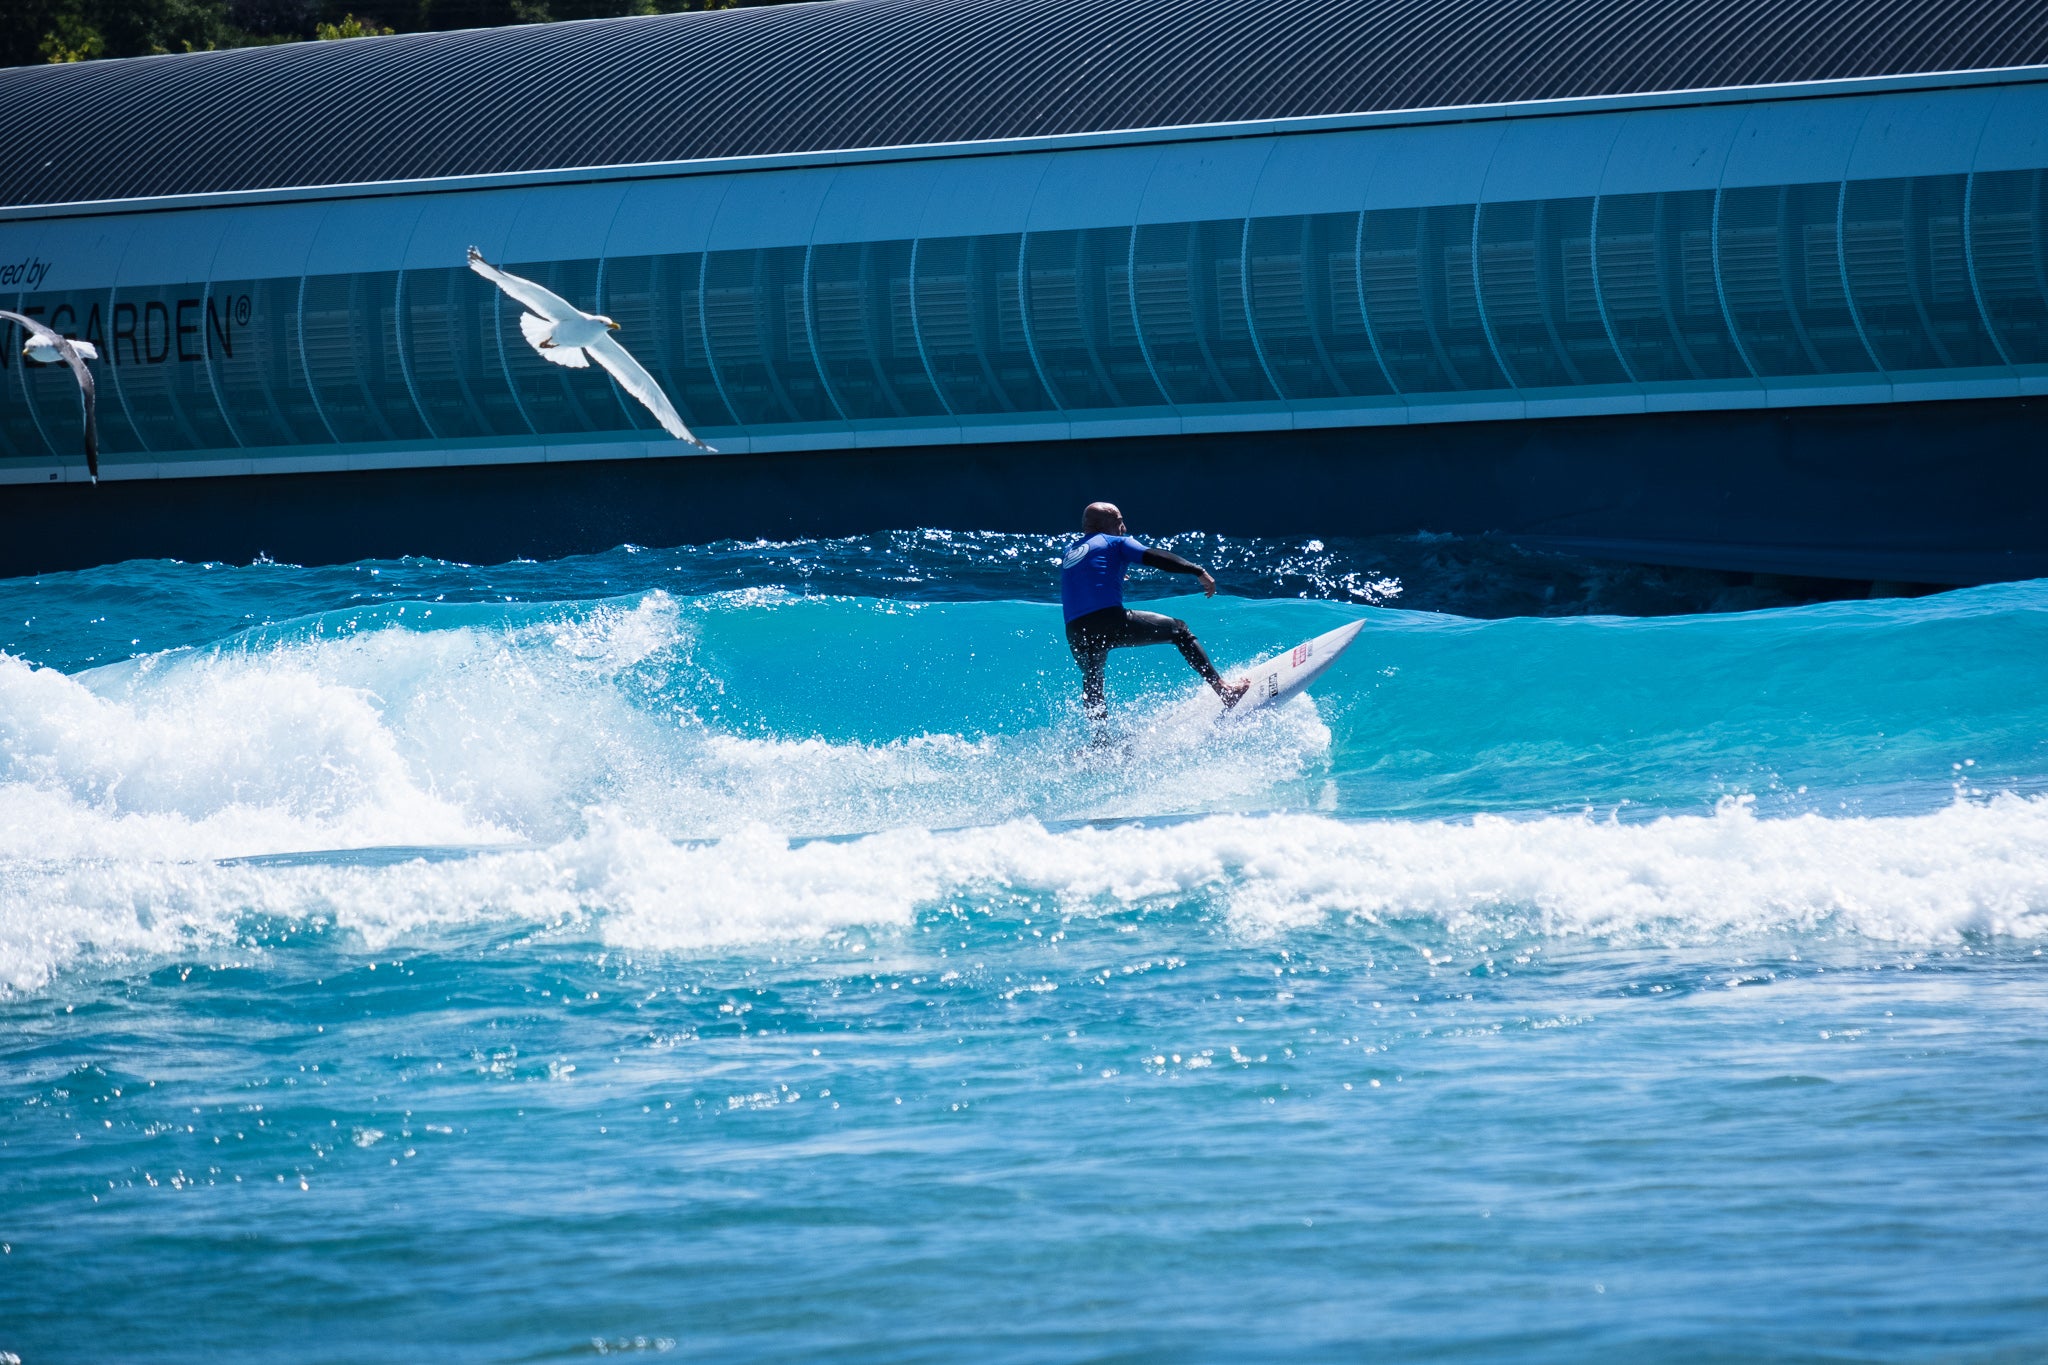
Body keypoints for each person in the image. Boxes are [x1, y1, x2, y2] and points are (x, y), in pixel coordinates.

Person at [1061, 501, 1249, 731]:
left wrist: (1116, 573)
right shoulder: (1116, 542)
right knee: (1179, 631)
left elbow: (1089, 576)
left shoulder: (1070, 552)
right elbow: (1154, 557)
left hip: (1075, 632)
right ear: (1106, 524)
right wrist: (1197, 571)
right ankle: (1224, 690)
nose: (1124, 526)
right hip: (1107, 620)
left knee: (1092, 677)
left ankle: (1101, 740)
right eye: (1119, 521)